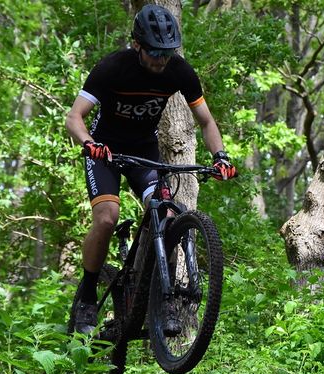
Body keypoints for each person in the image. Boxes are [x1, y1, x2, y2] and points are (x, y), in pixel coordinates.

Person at [65, 4, 236, 335]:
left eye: (167, 53)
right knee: (107, 218)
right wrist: (89, 143)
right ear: (137, 45)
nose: (161, 60)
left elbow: (206, 121)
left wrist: (221, 157)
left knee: (166, 216)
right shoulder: (113, 67)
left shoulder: (179, 71)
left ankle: (164, 297)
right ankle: (87, 295)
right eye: (155, 52)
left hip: (144, 150)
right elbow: (74, 117)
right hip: (105, 152)